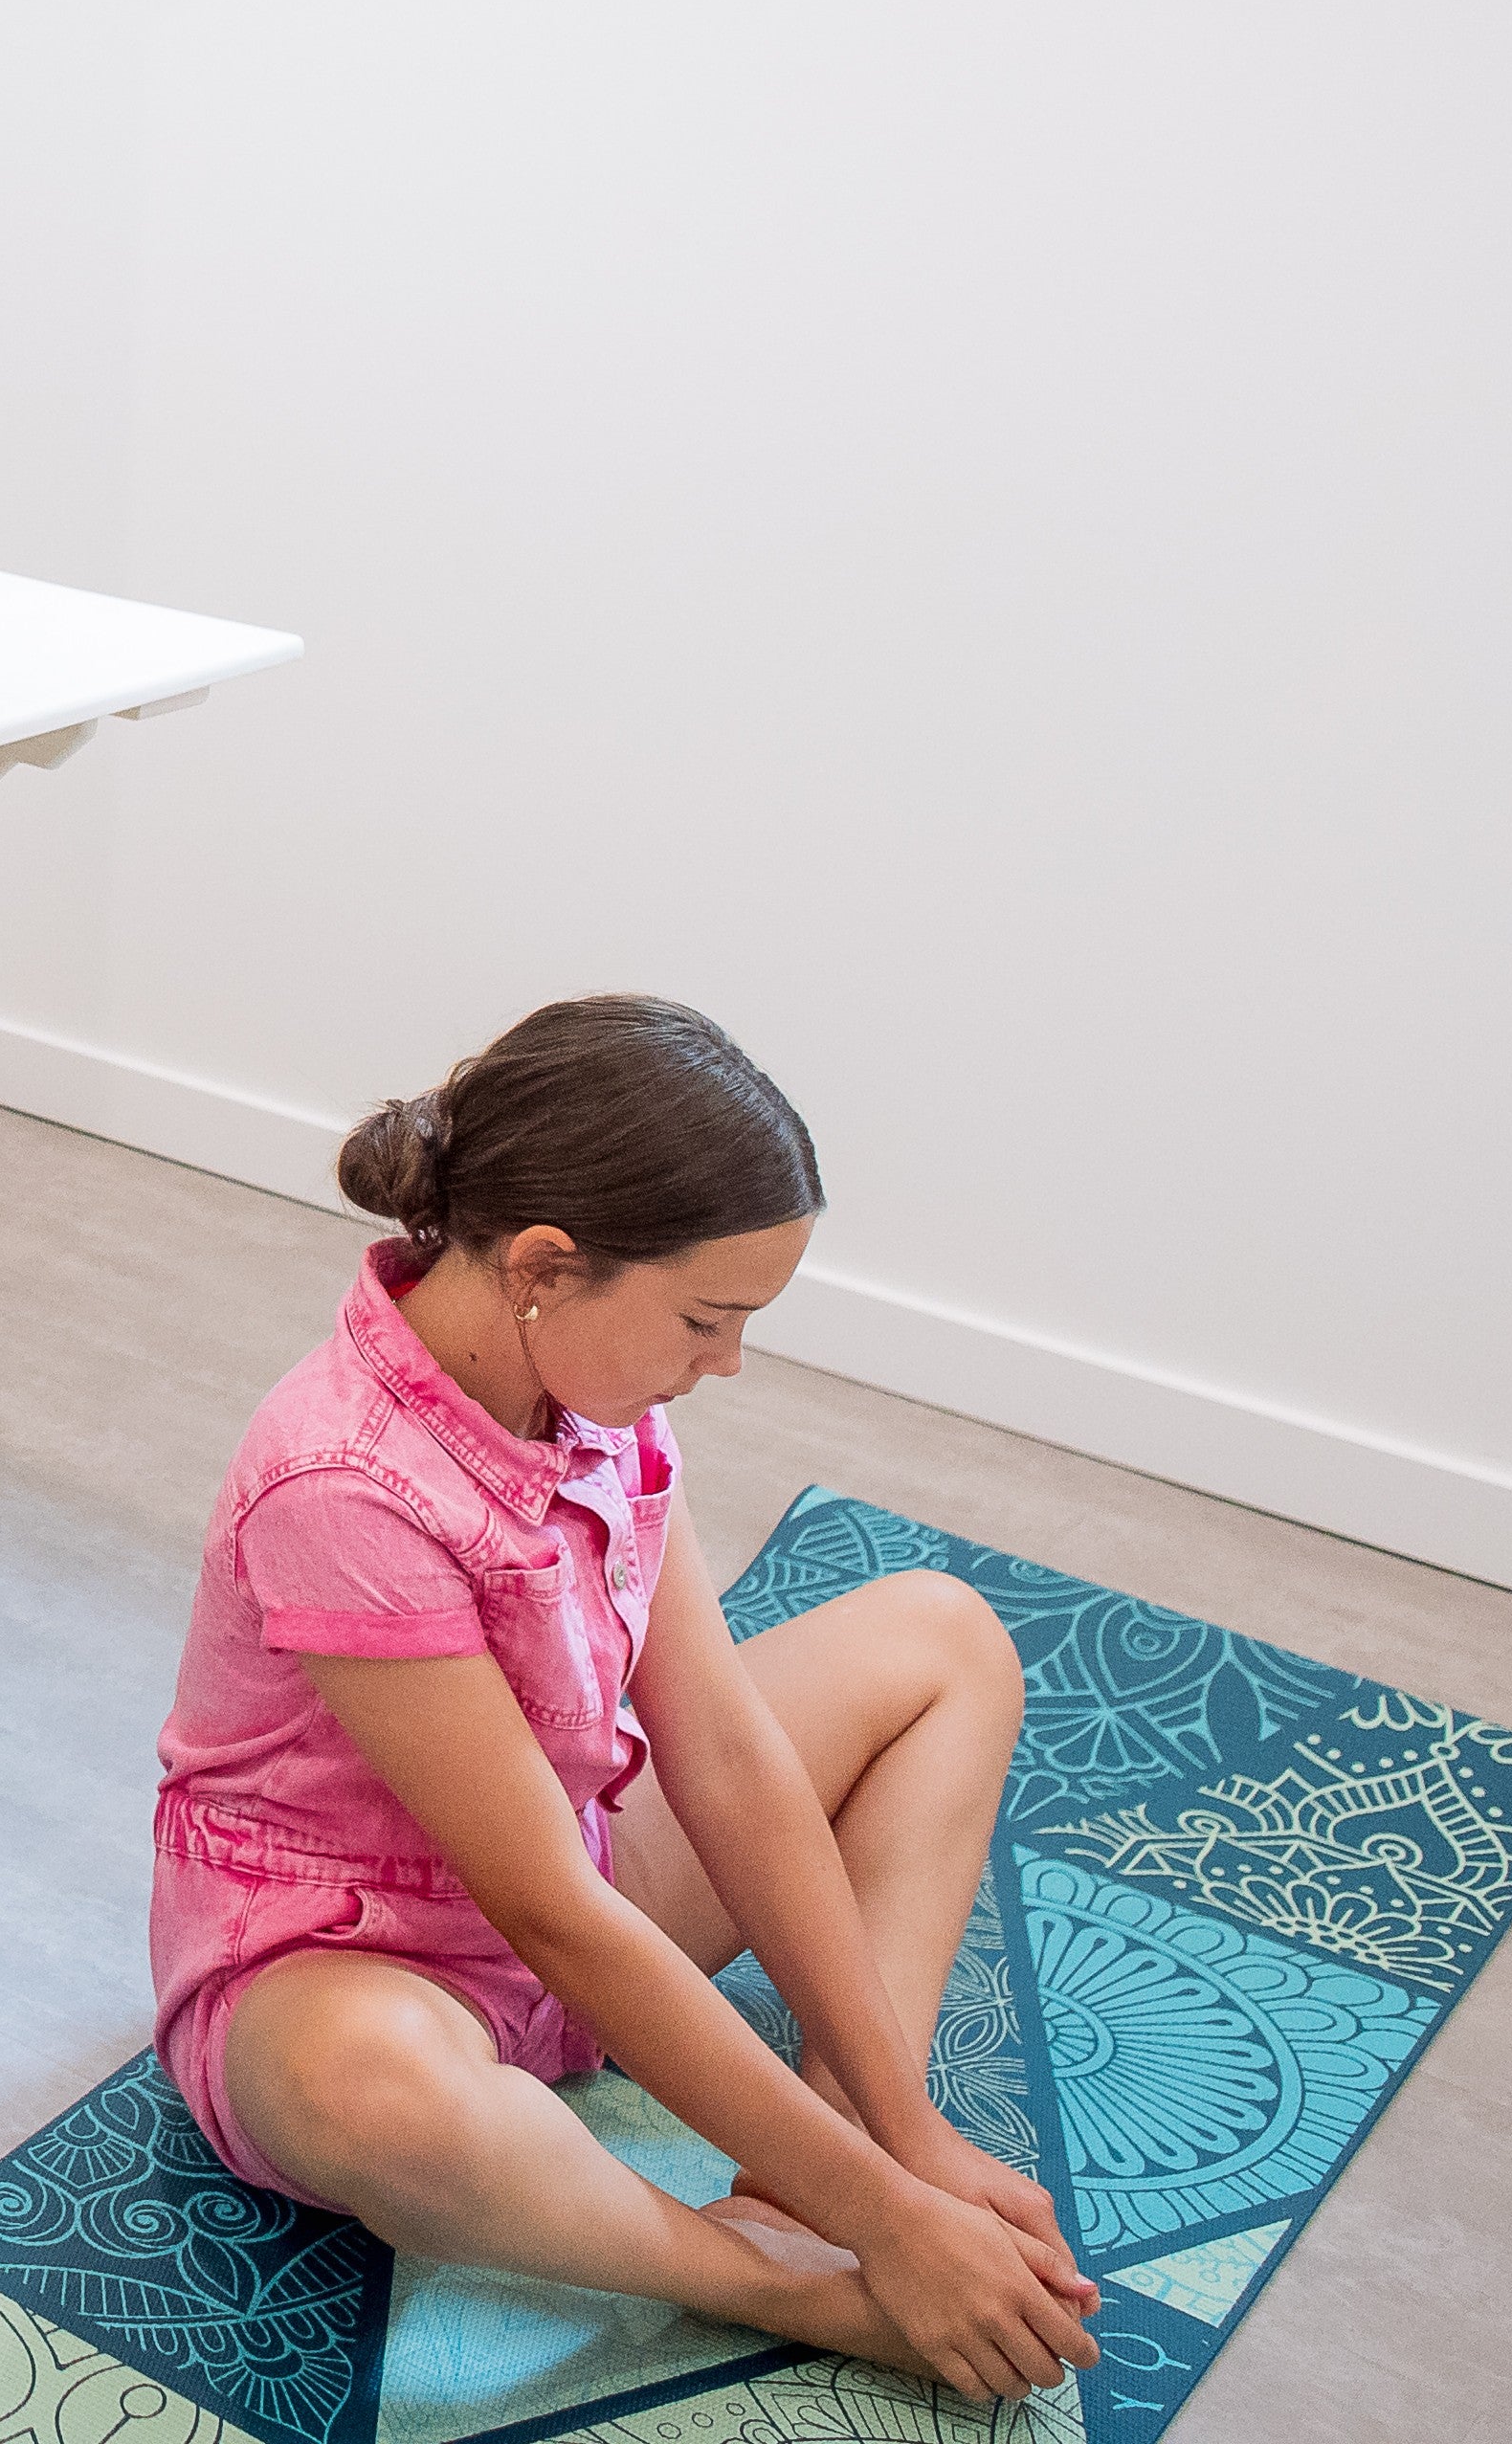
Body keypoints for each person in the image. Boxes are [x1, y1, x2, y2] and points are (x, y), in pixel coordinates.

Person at [149, 996, 1099, 2399]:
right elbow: (549, 1908)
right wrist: (886, 2233)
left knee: (943, 1641)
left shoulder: (595, 1393)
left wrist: (901, 2144)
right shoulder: (337, 1481)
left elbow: (726, 1756)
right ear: (544, 1267)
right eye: (707, 1320)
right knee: (383, 2101)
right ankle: (778, 2282)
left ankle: (834, 2135)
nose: (725, 1364)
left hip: (574, 1876)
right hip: (354, 1957)